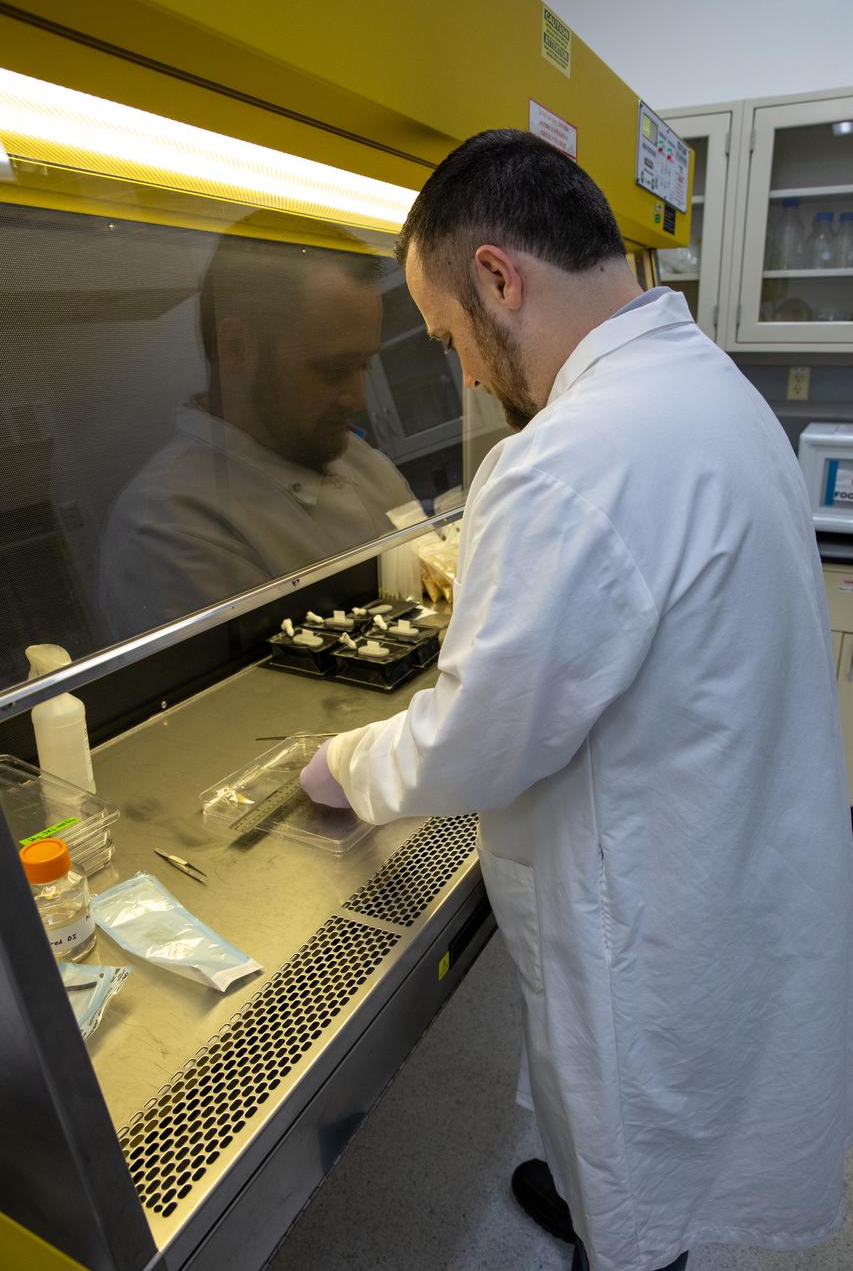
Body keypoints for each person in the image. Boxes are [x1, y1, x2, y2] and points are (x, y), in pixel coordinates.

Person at [300, 130, 852, 1271]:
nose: (460, 370)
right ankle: (610, 1200)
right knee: (642, 1120)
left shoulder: (570, 455)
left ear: (500, 276)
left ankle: (628, 1243)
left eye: (450, 333)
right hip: (732, 845)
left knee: (642, 1152)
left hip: (661, 895)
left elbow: (475, 740)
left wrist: (343, 763)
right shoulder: (703, 383)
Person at [99, 226, 414, 638]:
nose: (357, 399)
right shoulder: (166, 528)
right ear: (236, 348)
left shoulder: (355, 455)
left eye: (364, 366)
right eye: (333, 369)